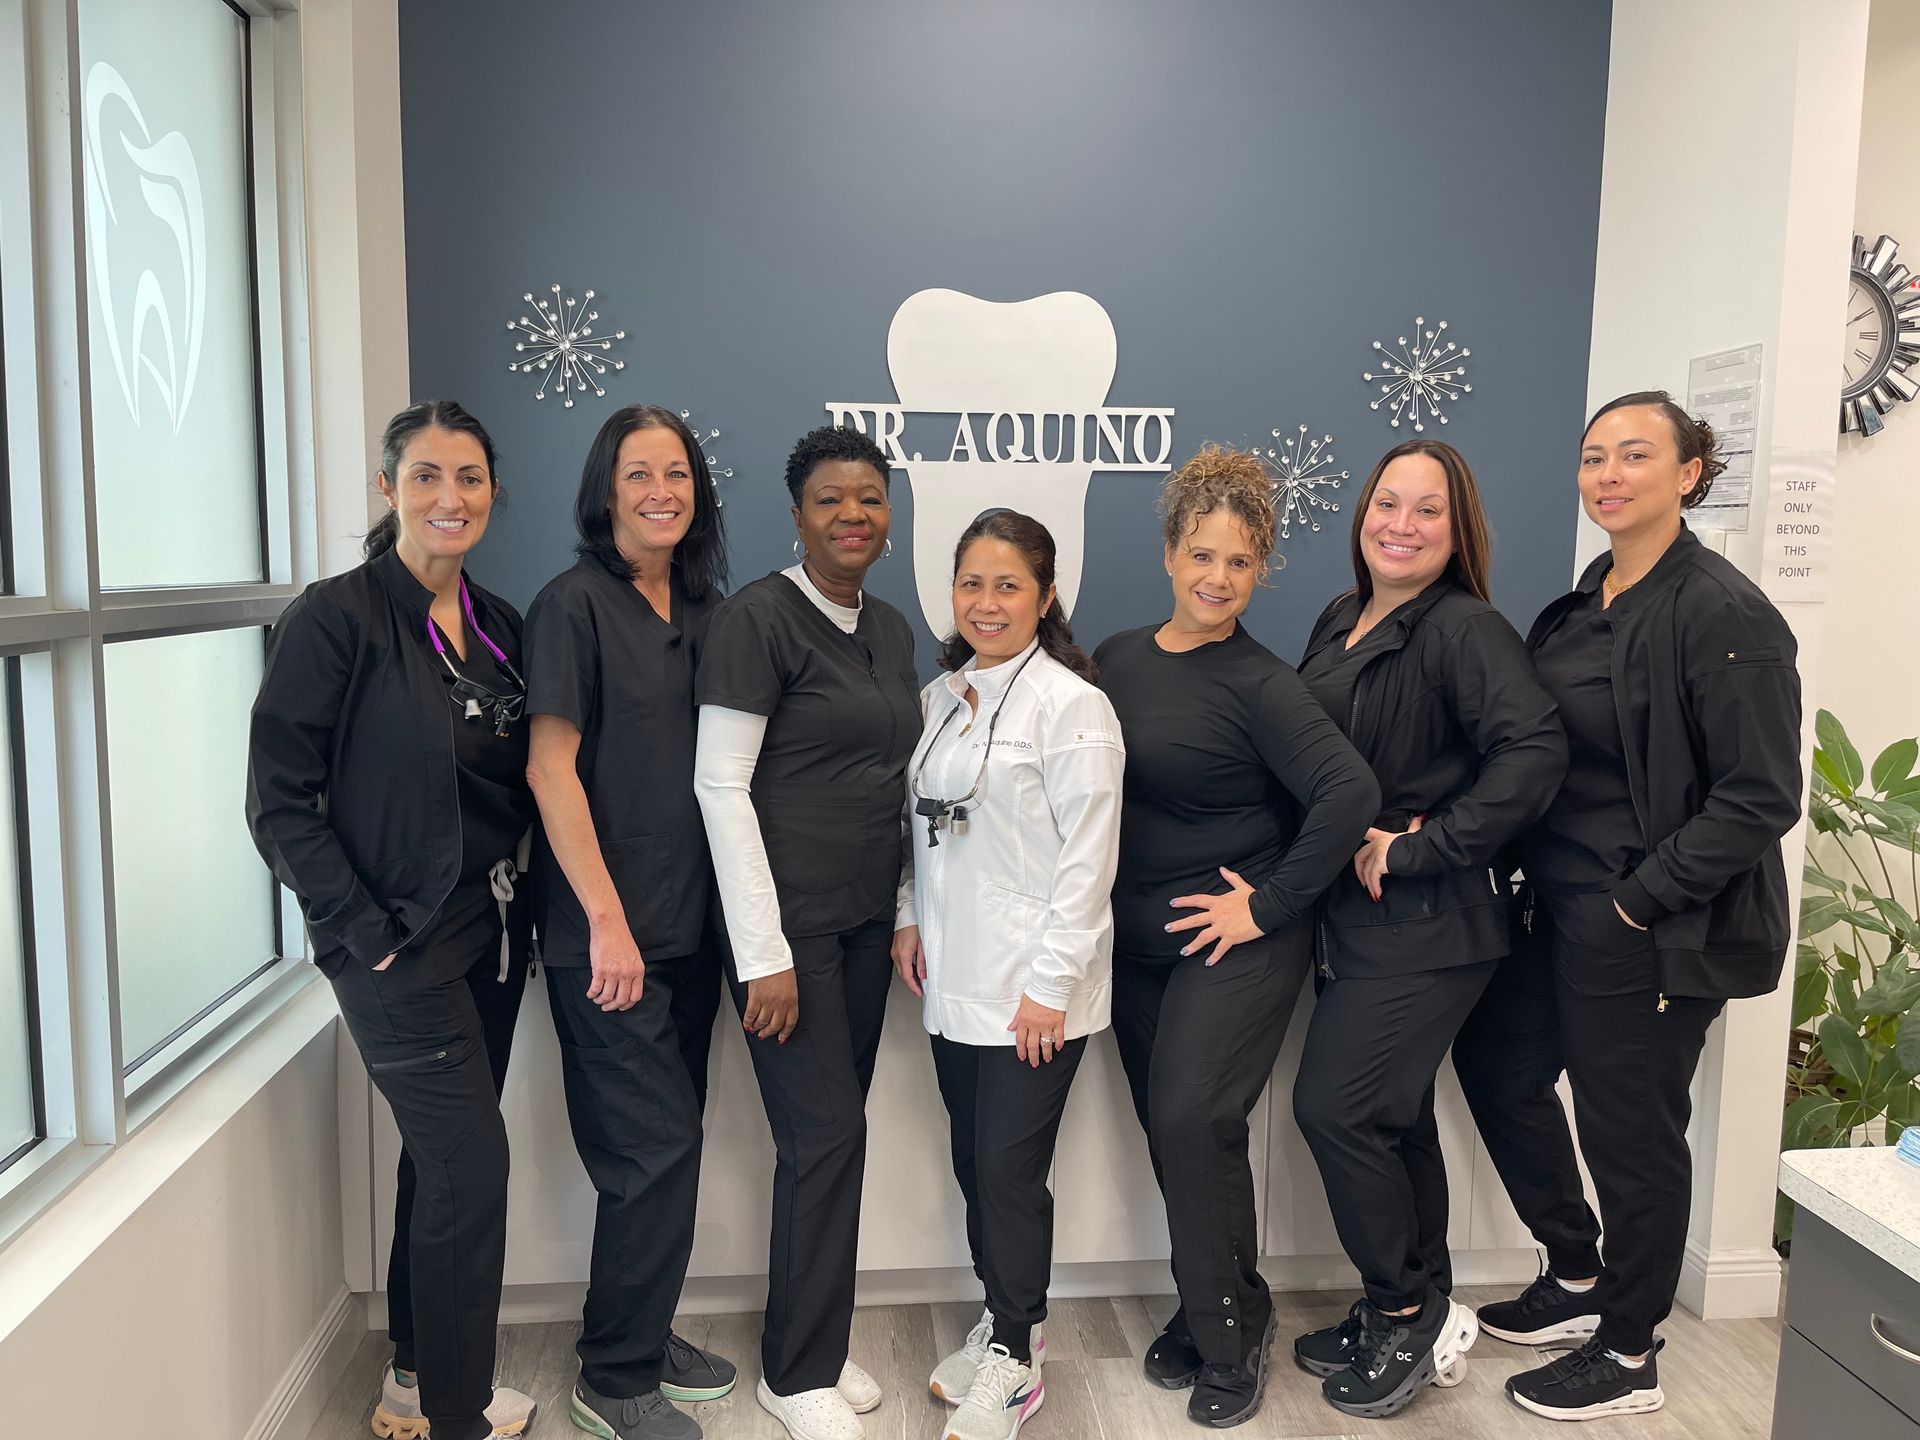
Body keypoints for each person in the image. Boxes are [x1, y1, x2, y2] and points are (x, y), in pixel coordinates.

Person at [1453, 391, 1802, 1421]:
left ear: (1690, 473)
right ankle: (1576, 1272)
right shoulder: (1587, 598)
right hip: (1555, 908)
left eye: (1635, 455)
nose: (1608, 474)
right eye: (1594, 455)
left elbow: (1761, 797)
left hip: (1649, 925)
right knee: (1498, 1068)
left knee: (1632, 1131)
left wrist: (1637, 905)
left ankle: (1630, 1348)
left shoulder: (1725, 612)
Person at [246, 402, 538, 1440]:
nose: (448, 498)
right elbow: (279, 801)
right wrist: (358, 930)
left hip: (492, 937)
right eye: (425, 477)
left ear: (493, 492)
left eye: (468, 477)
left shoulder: (501, 626)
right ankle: (460, 1419)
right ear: (388, 490)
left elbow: (525, 779)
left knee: (436, 1161)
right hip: (395, 945)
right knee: (474, 1163)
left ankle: (415, 1378)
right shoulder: (336, 619)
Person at [1092, 446, 1379, 1429]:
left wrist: (1264, 906)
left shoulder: (1261, 683)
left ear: (1259, 572)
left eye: (1240, 563)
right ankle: (1233, 1301)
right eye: (1203, 555)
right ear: (1170, 552)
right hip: (1137, 948)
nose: (1218, 578)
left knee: (1190, 1120)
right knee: (1177, 1135)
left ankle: (1226, 1338)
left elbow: (1349, 795)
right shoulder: (1119, 658)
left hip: (1239, 944)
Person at [1290, 439, 1568, 1420]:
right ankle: (1400, 1306)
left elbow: (1534, 751)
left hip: (1433, 924)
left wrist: (1427, 845)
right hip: (1351, 922)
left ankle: (1409, 1309)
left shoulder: (1464, 630)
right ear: (1363, 511)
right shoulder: (1341, 616)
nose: (1400, 525)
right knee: (1393, 1117)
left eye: (1428, 511)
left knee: (1334, 1108)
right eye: (1388, 504)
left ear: (1459, 533)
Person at [692, 426, 920, 1440]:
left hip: (867, 923)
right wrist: (764, 952)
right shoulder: (757, 622)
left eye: (869, 498)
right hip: (790, 939)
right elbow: (719, 786)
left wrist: (907, 910)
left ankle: (814, 1341)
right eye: (831, 499)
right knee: (824, 1134)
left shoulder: (891, 630)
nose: (852, 516)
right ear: (796, 515)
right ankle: (794, 1372)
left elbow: (902, 784)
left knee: (832, 1138)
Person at [523, 405, 738, 1440]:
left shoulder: (705, 609)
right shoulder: (571, 607)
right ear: (606, 487)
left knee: (673, 1145)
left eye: (678, 473)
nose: (662, 490)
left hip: (693, 933)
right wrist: (605, 922)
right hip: (608, 939)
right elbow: (548, 768)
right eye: (640, 472)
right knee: (649, 1152)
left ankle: (641, 1333)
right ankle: (613, 1377)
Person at [891, 510, 1126, 1440]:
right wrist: (908, 918)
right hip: (952, 978)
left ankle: (1019, 1359)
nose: (987, 603)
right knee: (971, 1162)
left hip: (1035, 993)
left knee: (1009, 1170)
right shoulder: (938, 696)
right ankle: (1003, 1318)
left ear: (1046, 596)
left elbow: (1089, 864)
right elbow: (915, 822)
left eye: (1008, 586)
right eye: (972, 584)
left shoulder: (1074, 707)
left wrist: (1049, 986)